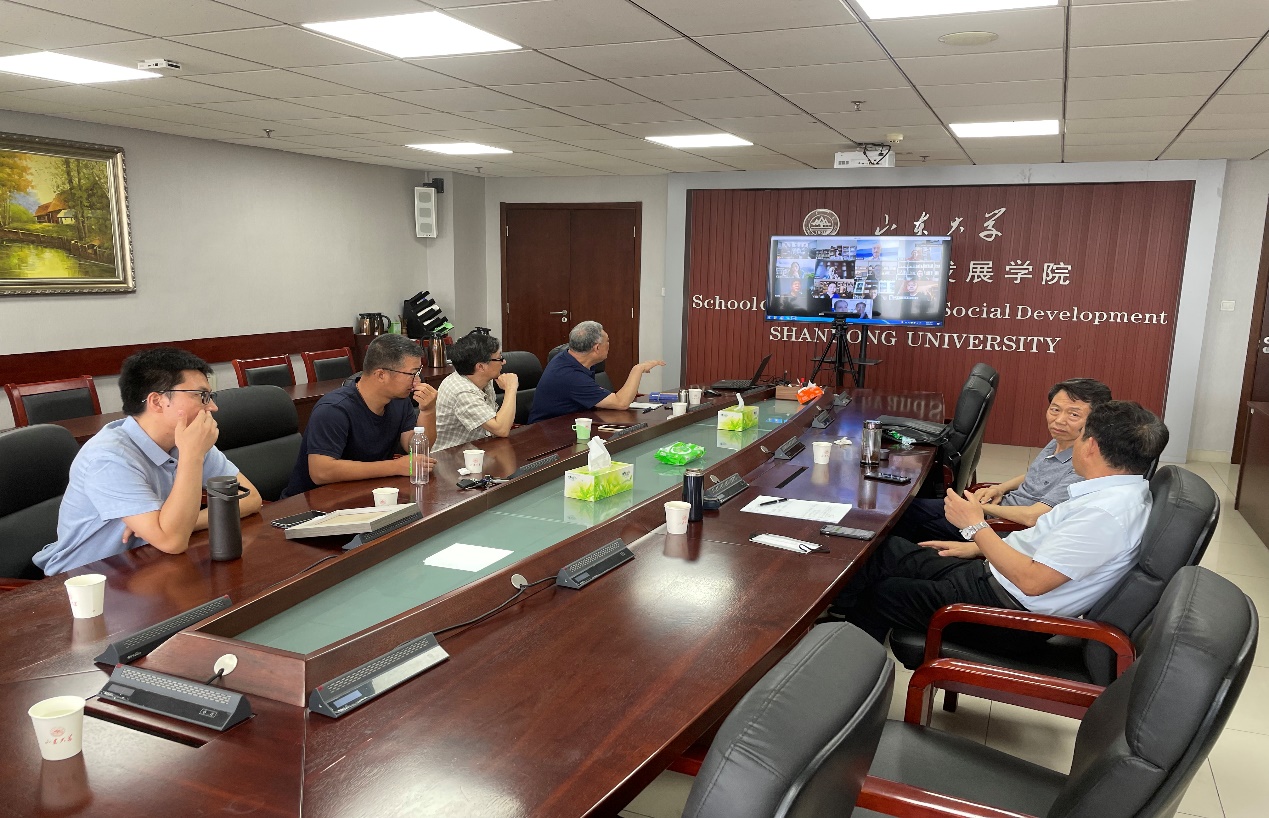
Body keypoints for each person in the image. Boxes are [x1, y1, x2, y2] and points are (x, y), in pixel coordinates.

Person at [828, 401, 1168, 643]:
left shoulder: (1105, 515)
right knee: (885, 551)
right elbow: (1038, 548)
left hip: (1007, 611)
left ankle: (842, 677)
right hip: (993, 575)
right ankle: (833, 620)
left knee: (881, 596)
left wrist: (976, 527)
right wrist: (976, 549)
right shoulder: (1115, 493)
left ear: (1090, 446)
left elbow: (1032, 582)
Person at [33, 348, 263, 576]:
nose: (212, 406)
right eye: (201, 395)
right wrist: (192, 457)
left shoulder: (186, 440)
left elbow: (250, 497)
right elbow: (173, 541)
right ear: (157, 401)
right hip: (85, 581)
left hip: (147, 565)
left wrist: (185, 523)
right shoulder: (108, 457)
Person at [893, 378, 1113, 543]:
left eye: (1073, 415)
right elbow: (1036, 475)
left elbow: (1033, 517)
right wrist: (1000, 489)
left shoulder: (1083, 467)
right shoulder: (1062, 437)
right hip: (994, 510)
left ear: (1095, 419)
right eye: (1055, 410)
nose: (1059, 420)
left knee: (905, 521)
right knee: (908, 508)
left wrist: (977, 508)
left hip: (1001, 529)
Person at [281, 334, 437, 497]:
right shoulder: (333, 409)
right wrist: (395, 467)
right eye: (412, 374)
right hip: (312, 502)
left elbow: (415, 447)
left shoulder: (399, 401)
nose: (417, 381)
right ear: (381, 375)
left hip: (365, 492)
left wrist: (428, 411)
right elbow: (321, 472)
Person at [527, 321, 665, 423]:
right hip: (547, 433)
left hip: (575, 422)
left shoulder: (572, 358)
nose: (610, 345)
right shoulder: (569, 375)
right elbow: (621, 403)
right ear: (597, 348)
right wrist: (638, 369)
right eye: (608, 341)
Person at [433, 332, 518, 452]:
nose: (503, 362)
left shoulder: (482, 378)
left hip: (480, 448)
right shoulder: (462, 391)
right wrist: (511, 388)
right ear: (481, 367)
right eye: (499, 358)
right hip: (452, 457)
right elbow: (501, 430)